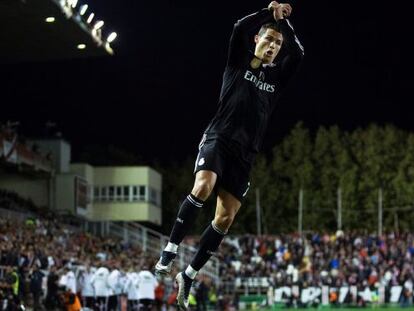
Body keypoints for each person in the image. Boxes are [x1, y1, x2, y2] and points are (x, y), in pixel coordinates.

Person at [155, 1, 304, 309]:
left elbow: (299, 54)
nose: (273, 46)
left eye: (278, 43)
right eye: (269, 39)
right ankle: (169, 249)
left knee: (225, 217)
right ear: (257, 40)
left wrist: (284, 24)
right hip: (219, 138)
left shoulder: (276, 79)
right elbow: (238, 27)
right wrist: (268, 14)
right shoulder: (238, 62)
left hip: (245, 154)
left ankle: (189, 273)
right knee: (203, 187)